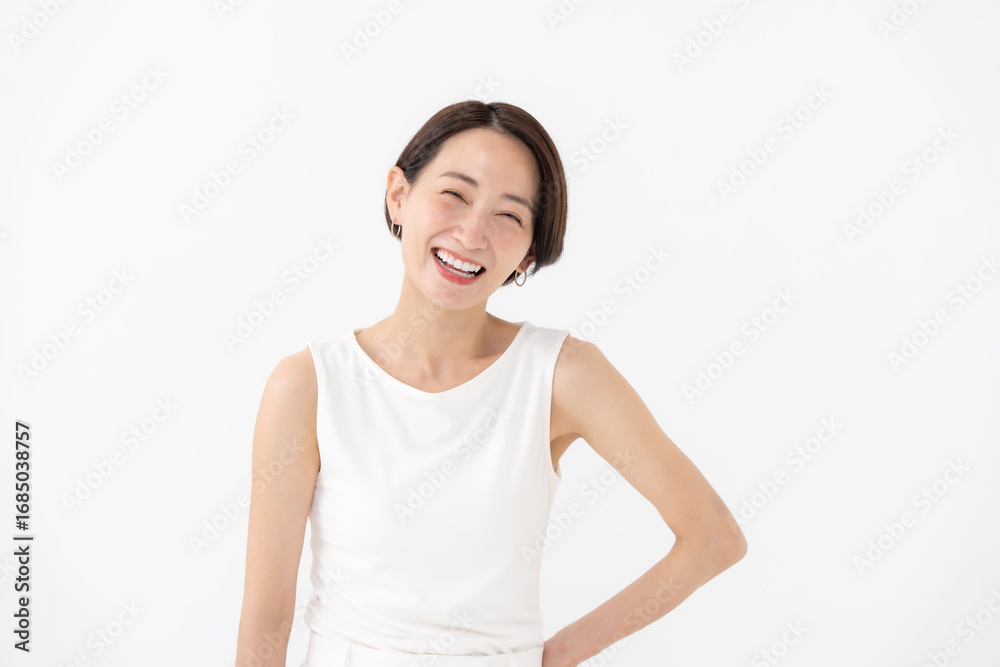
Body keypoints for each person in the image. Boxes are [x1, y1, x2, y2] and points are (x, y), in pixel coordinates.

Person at [234, 100, 747, 667]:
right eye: (455, 194)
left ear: (529, 253)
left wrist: (559, 655)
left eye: (509, 215)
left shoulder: (561, 374)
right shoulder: (308, 385)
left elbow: (713, 538)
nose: (472, 233)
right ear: (399, 196)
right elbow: (267, 619)